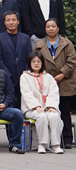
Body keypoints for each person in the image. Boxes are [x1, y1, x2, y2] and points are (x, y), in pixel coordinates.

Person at [34, 18, 75, 148]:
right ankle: (51, 139)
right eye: (48, 26)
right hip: (46, 82)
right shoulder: (40, 45)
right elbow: (36, 62)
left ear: (58, 28)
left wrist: (62, 74)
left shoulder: (67, 43)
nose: (51, 29)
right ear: (45, 29)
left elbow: (72, 61)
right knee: (50, 110)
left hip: (65, 80)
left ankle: (67, 139)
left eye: (53, 26)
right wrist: (47, 77)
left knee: (64, 110)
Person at [21, 52, 65, 154]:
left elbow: (53, 93)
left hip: (47, 107)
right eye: (33, 61)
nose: (36, 63)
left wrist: (51, 106)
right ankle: (42, 144)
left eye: (38, 61)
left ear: (42, 63)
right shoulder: (24, 77)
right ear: (30, 63)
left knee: (54, 116)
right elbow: (27, 94)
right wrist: (36, 106)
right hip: (31, 109)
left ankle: (55, 145)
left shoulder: (48, 77)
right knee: (41, 116)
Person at [0, 11, 31, 97]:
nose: (11, 22)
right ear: (5, 22)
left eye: (13, 20)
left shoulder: (25, 38)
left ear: (18, 21)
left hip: (24, 76)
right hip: (6, 76)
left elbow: (29, 57)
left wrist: (25, 72)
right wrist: (7, 74)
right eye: (8, 20)